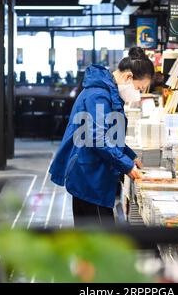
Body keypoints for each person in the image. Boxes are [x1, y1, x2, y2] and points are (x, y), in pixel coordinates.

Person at [49, 47, 154, 226]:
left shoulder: (107, 93)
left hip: (92, 174)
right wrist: (126, 165)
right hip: (90, 178)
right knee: (101, 241)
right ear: (128, 77)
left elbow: (109, 136)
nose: (138, 94)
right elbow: (98, 138)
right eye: (139, 88)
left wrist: (130, 156)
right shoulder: (98, 96)